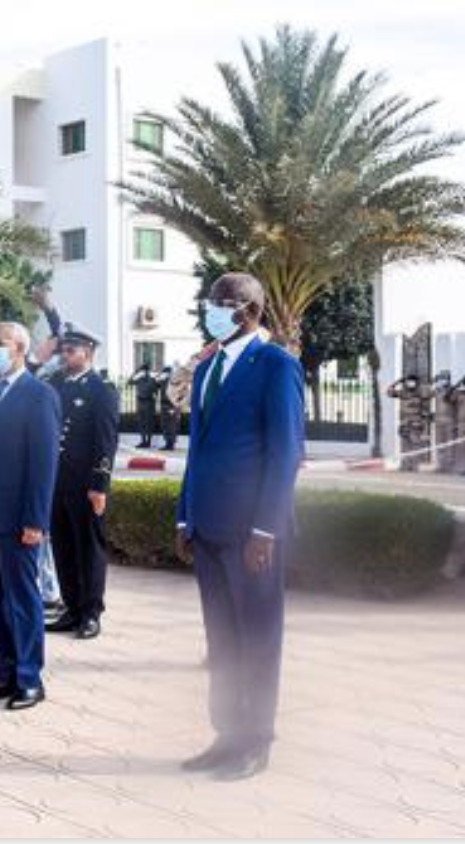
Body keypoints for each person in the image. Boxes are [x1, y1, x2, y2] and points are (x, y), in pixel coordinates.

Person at [176, 272, 304, 782]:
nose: (210, 311)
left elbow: (285, 452)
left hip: (252, 536)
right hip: (208, 527)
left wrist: (266, 531)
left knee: (258, 637)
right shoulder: (209, 368)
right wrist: (186, 514)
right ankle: (227, 734)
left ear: (247, 309)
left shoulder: (276, 365)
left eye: (219, 303)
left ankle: (257, 741)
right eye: (209, 302)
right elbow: (198, 451)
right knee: (223, 639)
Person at [0, 322, 61, 711]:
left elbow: (43, 464)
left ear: (20, 348)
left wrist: (36, 521)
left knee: (22, 600)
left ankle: (29, 679)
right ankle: (4, 673)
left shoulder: (39, 395)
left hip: (20, 520)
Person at [45, 325, 120, 640]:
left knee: (88, 548)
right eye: (64, 350)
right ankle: (72, 608)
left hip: (84, 484)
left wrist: (99, 485)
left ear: (88, 353)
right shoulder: (55, 385)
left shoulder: (101, 389)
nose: (66, 355)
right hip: (56, 482)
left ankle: (91, 613)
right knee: (62, 546)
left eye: (72, 350)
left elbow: (106, 441)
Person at [130, 363, 159, 448]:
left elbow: (156, 390)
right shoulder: (139, 379)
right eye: (143, 371)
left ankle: (148, 441)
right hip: (141, 402)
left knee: (148, 423)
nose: (144, 372)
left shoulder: (153, 379)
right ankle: (143, 441)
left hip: (149, 403)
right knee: (141, 423)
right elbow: (129, 381)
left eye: (144, 370)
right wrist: (136, 372)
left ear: (147, 371)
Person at [157, 365, 181, 450]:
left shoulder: (175, 381)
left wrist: (175, 408)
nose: (165, 374)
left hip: (171, 405)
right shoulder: (162, 381)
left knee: (172, 425)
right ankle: (167, 443)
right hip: (164, 405)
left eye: (166, 372)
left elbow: (180, 394)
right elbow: (155, 383)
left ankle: (171, 444)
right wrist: (160, 375)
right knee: (165, 425)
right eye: (164, 373)